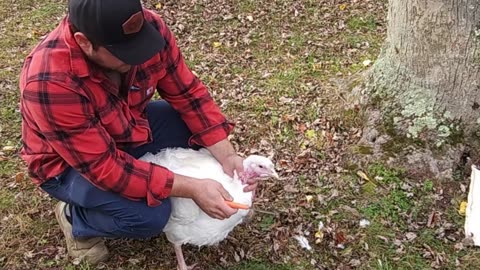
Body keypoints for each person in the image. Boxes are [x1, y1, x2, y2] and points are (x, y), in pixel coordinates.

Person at [19, 0, 259, 265]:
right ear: (84, 42)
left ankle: (141, 182)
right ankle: (76, 219)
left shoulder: (147, 26)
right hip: (68, 165)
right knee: (150, 216)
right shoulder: (50, 82)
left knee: (189, 127)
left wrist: (227, 156)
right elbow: (106, 169)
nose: (141, 55)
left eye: (141, 43)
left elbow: (187, 93)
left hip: (124, 127)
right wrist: (191, 188)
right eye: (126, 52)